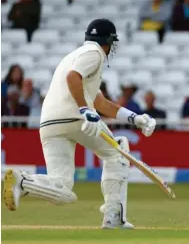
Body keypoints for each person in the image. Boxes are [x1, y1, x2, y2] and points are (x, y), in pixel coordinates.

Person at [3, 19, 156, 229]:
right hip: (75, 117)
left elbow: (100, 102)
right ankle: (114, 217)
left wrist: (135, 118)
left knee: (64, 191)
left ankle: (22, 182)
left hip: (49, 124)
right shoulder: (95, 54)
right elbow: (72, 78)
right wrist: (85, 110)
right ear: (107, 41)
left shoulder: (74, 56)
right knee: (118, 151)